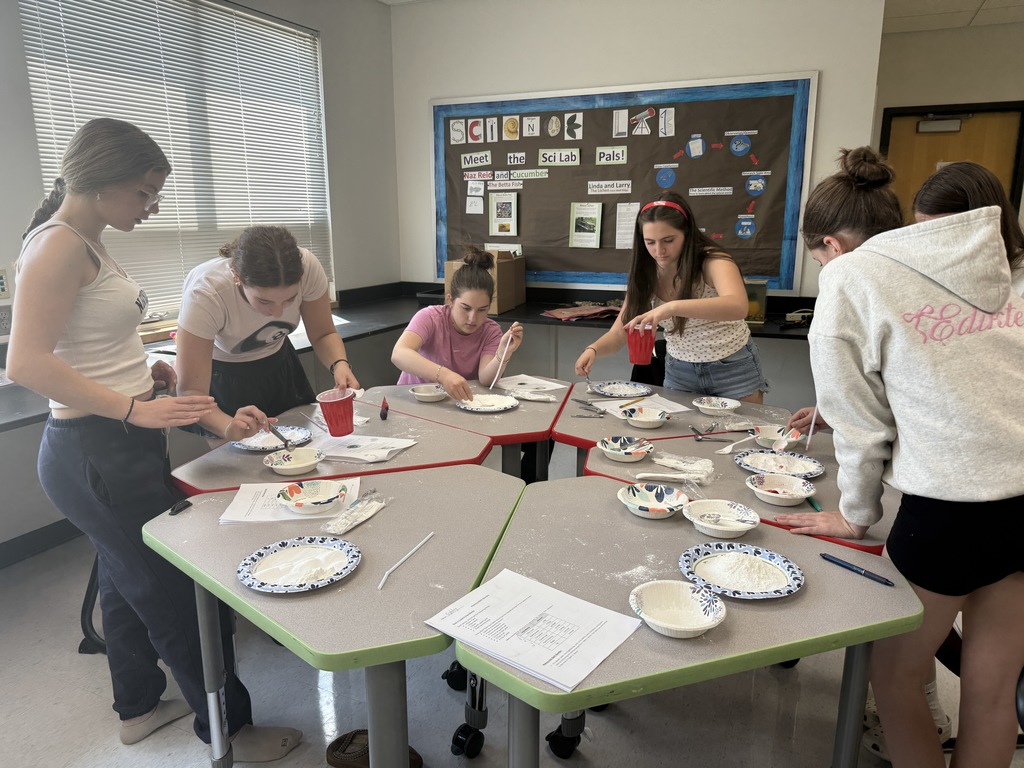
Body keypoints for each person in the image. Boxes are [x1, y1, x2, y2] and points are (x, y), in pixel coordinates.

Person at [7, 117, 300, 760]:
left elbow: (84, 343)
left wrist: (148, 374)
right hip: (95, 449)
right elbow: (26, 362)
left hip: (108, 443)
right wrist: (133, 409)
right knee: (176, 593)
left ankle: (137, 706)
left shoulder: (86, 239)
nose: (153, 206)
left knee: (123, 577)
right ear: (99, 183)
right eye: (144, 193)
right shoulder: (58, 244)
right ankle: (231, 734)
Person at [775, 147, 1024, 768]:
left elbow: (859, 423)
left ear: (829, 243)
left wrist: (854, 514)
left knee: (896, 678)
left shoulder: (853, 276)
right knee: (992, 695)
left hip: (950, 510)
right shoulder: (1012, 267)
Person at [574, 191, 767, 403]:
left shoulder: (713, 262)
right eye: (650, 242)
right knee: (680, 434)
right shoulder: (645, 275)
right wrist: (593, 349)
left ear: (687, 233)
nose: (659, 251)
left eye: (668, 240)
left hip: (732, 367)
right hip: (680, 371)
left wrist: (671, 307)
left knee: (742, 431)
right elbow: (620, 332)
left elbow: (738, 306)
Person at [175, 224, 359, 442]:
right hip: (223, 380)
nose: (278, 312)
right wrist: (228, 427)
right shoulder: (206, 293)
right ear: (237, 275)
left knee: (302, 451)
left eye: (290, 299)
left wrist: (339, 364)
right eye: (264, 301)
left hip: (280, 366)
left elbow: (323, 334)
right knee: (241, 468)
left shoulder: (307, 266)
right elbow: (191, 394)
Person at [392, 247, 542, 477]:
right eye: (466, 308)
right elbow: (400, 353)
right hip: (413, 411)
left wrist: (503, 353)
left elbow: (485, 378)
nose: (473, 319)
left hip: (452, 414)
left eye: (482, 310)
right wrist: (443, 374)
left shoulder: (490, 330)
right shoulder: (430, 317)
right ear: (450, 300)